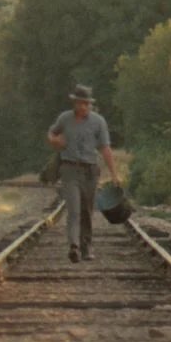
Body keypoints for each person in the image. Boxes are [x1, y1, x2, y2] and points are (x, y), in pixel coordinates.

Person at [47, 84, 119, 262]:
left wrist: (114, 174)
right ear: (75, 103)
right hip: (69, 169)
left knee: (87, 211)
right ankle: (74, 246)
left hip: (90, 171)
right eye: (81, 103)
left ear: (90, 104)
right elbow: (51, 132)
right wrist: (54, 140)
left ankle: (86, 246)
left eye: (87, 104)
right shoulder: (64, 119)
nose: (84, 107)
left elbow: (105, 148)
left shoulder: (98, 121)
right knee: (73, 209)